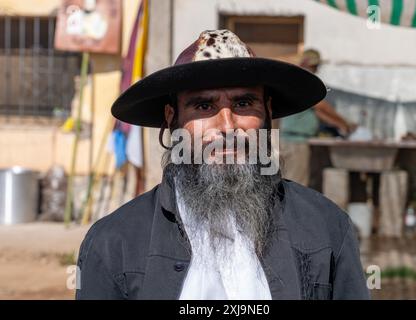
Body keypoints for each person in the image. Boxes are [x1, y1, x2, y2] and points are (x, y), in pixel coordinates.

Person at [75, 30, 370, 300]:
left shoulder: (327, 227)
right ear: (171, 119)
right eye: (204, 106)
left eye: (243, 104)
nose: (227, 126)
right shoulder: (114, 243)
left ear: (267, 113)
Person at [280, 49, 355, 186]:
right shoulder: (303, 81)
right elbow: (321, 106)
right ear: (306, 64)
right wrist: (344, 122)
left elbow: (317, 112)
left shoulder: (295, 80)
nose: (316, 70)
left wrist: (340, 124)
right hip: (296, 141)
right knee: (297, 185)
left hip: (291, 140)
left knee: (290, 182)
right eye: (314, 66)